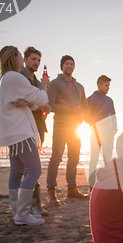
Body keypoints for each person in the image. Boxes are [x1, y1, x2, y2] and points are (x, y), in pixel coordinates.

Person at [0, 45, 49, 226]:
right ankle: (22, 214)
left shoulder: (7, 78)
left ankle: (17, 212)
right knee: (34, 170)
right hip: (21, 133)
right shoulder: (16, 77)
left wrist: (28, 102)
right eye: (20, 55)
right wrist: (43, 87)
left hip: (12, 134)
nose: (21, 58)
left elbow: (32, 105)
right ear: (15, 57)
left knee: (17, 172)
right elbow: (42, 100)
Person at [46, 55, 89, 204]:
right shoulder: (55, 83)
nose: (69, 66)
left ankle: (72, 189)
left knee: (74, 157)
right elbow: (49, 105)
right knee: (56, 157)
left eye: (72, 64)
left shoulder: (80, 87)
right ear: (62, 66)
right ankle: (51, 191)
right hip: (61, 125)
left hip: (76, 127)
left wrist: (84, 115)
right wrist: (69, 109)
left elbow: (85, 107)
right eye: (66, 64)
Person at [20, 46, 51, 217]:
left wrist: (45, 107)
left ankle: (34, 204)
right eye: (33, 59)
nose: (36, 63)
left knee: (34, 164)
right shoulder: (20, 78)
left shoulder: (40, 83)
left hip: (39, 125)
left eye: (38, 60)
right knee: (30, 167)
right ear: (25, 59)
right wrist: (39, 104)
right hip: (24, 125)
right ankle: (32, 205)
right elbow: (23, 101)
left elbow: (44, 104)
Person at [87, 75, 117, 189]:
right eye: (106, 85)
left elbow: (113, 115)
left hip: (108, 133)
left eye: (109, 86)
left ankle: (108, 184)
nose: (108, 88)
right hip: (94, 132)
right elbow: (86, 115)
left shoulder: (109, 100)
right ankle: (91, 186)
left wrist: (115, 128)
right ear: (99, 85)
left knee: (107, 159)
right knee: (94, 157)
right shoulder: (90, 99)